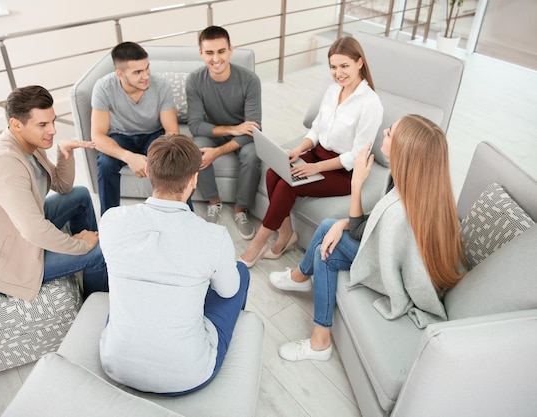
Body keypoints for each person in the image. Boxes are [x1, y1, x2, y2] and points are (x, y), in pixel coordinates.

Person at [270, 114, 466, 362]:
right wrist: (342, 223)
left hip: (400, 279)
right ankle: (301, 282)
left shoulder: (398, 212)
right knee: (331, 229)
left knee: (326, 251)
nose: (384, 131)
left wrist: (356, 184)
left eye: (389, 134)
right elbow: (369, 228)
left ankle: (317, 333)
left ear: (402, 151)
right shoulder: (421, 186)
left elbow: (366, 238)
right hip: (404, 264)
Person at [99, 134, 250, 395]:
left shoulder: (111, 220)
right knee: (240, 273)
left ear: (148, 173)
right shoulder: (214, 237)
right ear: (194, 179)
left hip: (115, 366)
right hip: (187, 375)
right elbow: (227, 292)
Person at [239, 36, 383, 267]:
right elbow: (316, 130)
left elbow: (358, 155)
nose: (338, 73)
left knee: (289, 184)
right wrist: (298, 150)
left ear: (359, 63)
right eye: (333, 67)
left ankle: (257, 244)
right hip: (317, 154)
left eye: (344, 66)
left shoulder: (370, 103)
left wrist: (315, 167)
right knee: (273, 172)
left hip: (344, 171)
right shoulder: (332, 91)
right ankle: (286, 235)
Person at [0, 85, 108, 302]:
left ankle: (92, 268)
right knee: (99, 252)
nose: (53, 130)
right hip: (3, 262)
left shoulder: (30, 143)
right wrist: (81, 245)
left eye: (53, 121)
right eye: (43, 124)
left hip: (16, 230)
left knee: (80, 196)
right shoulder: (5, 163)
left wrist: (63, 153)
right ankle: (97, 302)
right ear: (16, 124)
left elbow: (62, 186)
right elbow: (34, 231)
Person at [186, 25, 262, 240]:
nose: (216, 58)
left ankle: (241, 209)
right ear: (201, 53)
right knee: (197, 146)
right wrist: (233, 128)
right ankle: (213, 202)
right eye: (209, 52)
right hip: (216, 130)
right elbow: (195, 124)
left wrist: (217, 152)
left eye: (221, 51)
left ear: (230, 50)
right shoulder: (194, 80)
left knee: (252, 154)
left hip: (244, 135)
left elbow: (253, 129)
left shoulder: (249, 80)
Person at [92, 41, 179, 214]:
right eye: (138, 72)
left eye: (147, 68)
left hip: (154, 134)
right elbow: (97, 137)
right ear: (120, 74)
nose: (146, 75)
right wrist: (129, 157)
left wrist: (162, 156)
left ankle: (182, 214)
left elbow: (172, 132)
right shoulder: (104, 88)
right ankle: (110, 219)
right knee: (105, 163)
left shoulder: (161, 85)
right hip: (121, 136)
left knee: (172, 160)